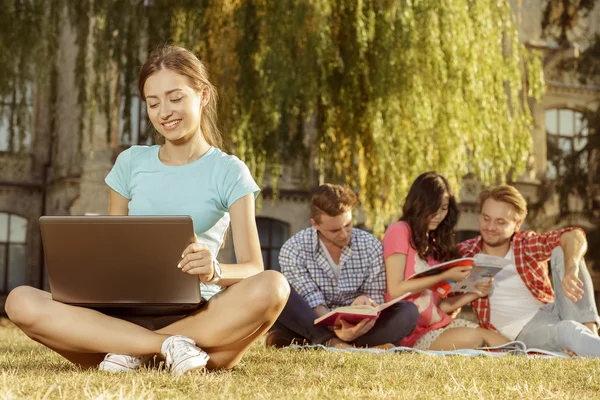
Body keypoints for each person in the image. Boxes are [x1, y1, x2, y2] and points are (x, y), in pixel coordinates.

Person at [5, 45, 290, 374]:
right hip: (125, 315)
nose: (164, 112)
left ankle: (133, 348)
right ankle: (163, 347)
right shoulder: (130, 162)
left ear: (204, 95)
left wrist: (215, 270)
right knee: (20, 300)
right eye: (153, 103)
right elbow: (113, 246)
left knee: (274, 285)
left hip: (203, 315)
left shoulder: (229, 171)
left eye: (175, 98)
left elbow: (254, 267)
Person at [266, 184, 419, 349]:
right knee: (276, 287)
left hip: (358, 327)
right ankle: (334, 343)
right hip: (312, 322)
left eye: (348, 225)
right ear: (315, 224)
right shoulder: (294, 248)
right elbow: (312, 301)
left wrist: (364, 305)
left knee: (409, 312)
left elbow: (376, 300)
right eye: (334, 230)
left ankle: (331, 344)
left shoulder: (370, 246)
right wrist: (336, 328)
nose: (344, 234)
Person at [458, 184, 600, 356]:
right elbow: (442, 296)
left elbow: (574, 235)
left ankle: (589, 331)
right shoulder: (465, 254)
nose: (490, 227)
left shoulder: (523, 244)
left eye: (500, 221)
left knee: (563, 250)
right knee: (568, 330)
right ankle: (581, 341)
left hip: (552, 310)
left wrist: (572, 268)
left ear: (517, 224)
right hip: (522, 330)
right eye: (486, 218)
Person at [383, 172, 510, 350]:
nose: (438, 215)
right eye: (433, 208)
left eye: (443, 209)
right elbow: (395, 290)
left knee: (506, 343)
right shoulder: (399, 231)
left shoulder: (432, 243)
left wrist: (475, 293)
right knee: (475, 339)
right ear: (418, 203)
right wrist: (445, 275)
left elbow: (440, 305)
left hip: (437, 325)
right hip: (409, 333)